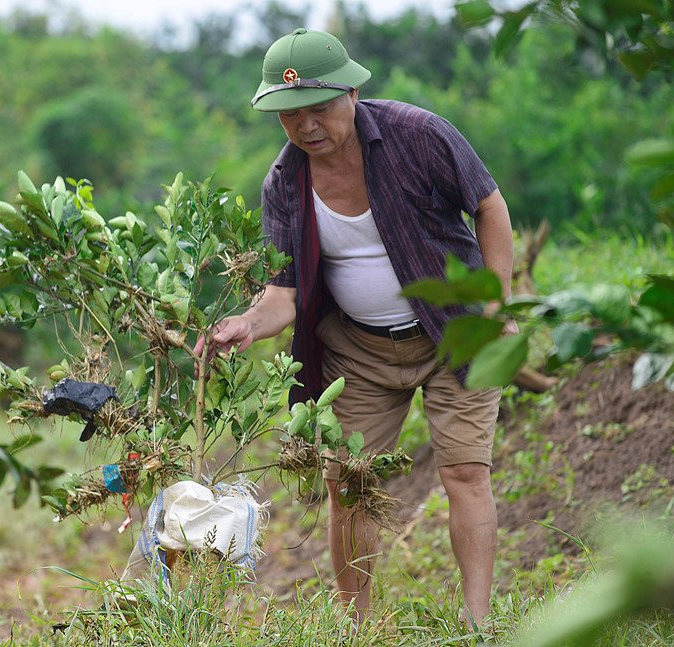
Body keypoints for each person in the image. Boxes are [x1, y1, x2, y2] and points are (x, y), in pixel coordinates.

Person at [193, 28, 515, 624]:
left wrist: (497, 307)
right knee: (353, 487)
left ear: (351, 93)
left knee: (465, 471)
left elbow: (489, 206)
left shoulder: (419, 136)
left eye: (319, 108)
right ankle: (358, 625)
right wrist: (242, 325)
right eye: (291, 115)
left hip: (456, 333)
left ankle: (479, 621)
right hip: (358, 352)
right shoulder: (284, 183)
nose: (307, 126)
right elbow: (282, 296)